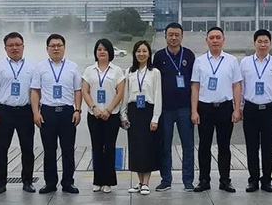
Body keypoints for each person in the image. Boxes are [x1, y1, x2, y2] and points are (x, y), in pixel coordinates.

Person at [190, 26, 242, 193]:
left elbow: (236, 85)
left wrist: (237, 109)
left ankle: (225, 180)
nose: (215, 41)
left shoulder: (231, 60)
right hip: (205, 108)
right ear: (206, 40)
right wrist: (194, 111)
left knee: (224, 146)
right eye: (211, 38)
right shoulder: (199, 61)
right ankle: (204, 180)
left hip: (225, 107)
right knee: (204, 145)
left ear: (223, 40)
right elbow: (195, 87)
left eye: (218, 37)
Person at [30, 34, 82, 194]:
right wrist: (36, 113)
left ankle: (68, 182)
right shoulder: (40, 67)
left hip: (67, 112)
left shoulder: (72, 67)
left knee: (68, 150)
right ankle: (50, 183)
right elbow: (35, 91)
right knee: (49, 150)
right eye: (52, 46)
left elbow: (78, 90)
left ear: (64, 48)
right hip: (47, 112)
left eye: (59, 45)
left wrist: (78, 110)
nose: (56, 48)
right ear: (47, 49)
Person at [0, 32, 36, 194]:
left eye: (17, 45)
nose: (14, 48)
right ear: (5, 48)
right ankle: (0, 183)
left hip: (25, 111)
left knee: (27, 148)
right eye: (11, 45)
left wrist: (37, 111)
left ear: (23, 46)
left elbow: (37, 91)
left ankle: (27, 181)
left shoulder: (32, 66)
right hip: (5, 112)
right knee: (1, 149)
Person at [239, 29, 272, 193]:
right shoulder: (245, 63)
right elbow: (241, 88)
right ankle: (253, 180)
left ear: (270, 44)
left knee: (268, 147)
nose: (263, 44)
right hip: (250, 108)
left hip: (269, 109)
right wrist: (239, 108)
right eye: (259, 41)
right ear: (254, 43)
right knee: (251, 147)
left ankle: (266, 180)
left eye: (266, 41)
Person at [151, 22, 196, 192]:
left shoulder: (189, 55)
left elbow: (194, 83)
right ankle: (166, 180)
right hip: (166, 109)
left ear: (182, 37)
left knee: (188, 145)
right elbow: (155, 83)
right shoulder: (159, 56)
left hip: (185, 108)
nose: (174, 38)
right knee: (165, 145)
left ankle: (188, 180)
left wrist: (194, 109)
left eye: (177, 35)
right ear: (165, 37)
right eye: (170, 35)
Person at [82, 38, 125, 193]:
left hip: (111, 115)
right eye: (99, 49)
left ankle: (108, 182)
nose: (102, 52)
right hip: (93, 115)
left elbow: (120, 92)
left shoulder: (117, 70)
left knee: (109, 148)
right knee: (97, 147)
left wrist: (108, 110)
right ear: (95, 52)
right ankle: (98, 181)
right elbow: (85, 91)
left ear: (110, 52)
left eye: (105, 49)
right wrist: (94, 108)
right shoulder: (89, 70)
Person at [120, 40, 162, 196]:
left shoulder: (155, 72)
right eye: (138, 51)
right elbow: (125, 95)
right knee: (136, 148)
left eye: (144, 51)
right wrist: (123, 114)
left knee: (148, 147)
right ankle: (139, 182)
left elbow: (158, 95)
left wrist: (155, 118)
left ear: (149, 54)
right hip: (134, 111)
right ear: (134, 54)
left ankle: (146, 183)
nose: (141, 54)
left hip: (148, 112)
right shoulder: (129, 72)